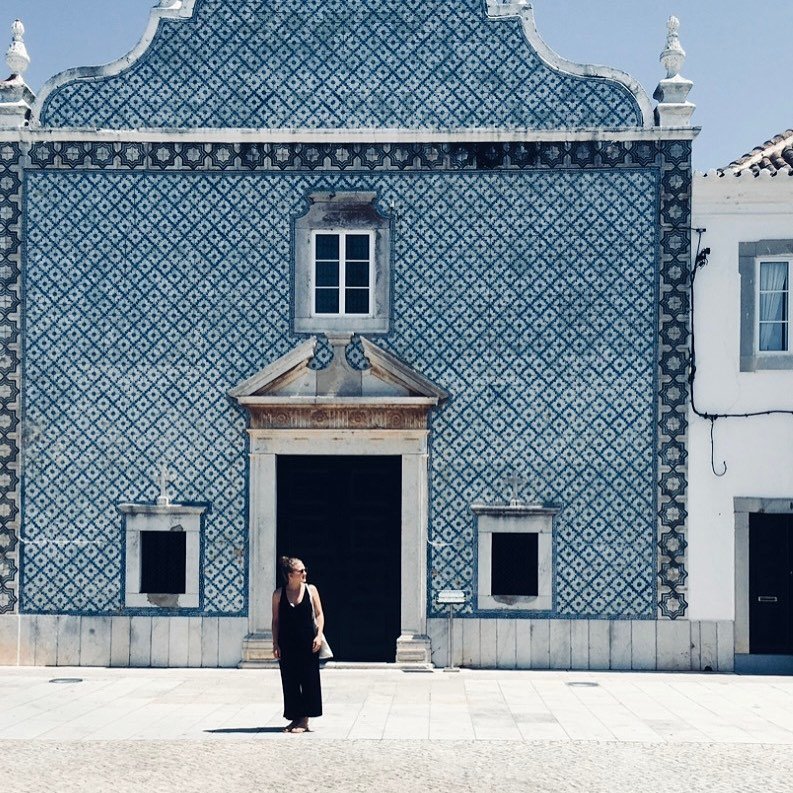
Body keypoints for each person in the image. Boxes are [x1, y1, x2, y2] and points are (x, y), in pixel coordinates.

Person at [272, 556, 324, 733]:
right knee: (290, 681)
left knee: (309, 680)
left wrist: (319, 636)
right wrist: (275, 643)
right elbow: (276, 621)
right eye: (300, 571)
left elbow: (319, 614)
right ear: (289, 575)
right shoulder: (278, 594)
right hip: (287, 643)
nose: (304, 573)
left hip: (308, 643)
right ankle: (295, 718)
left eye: (304, 570)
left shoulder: (311, 590)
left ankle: (304, 720)